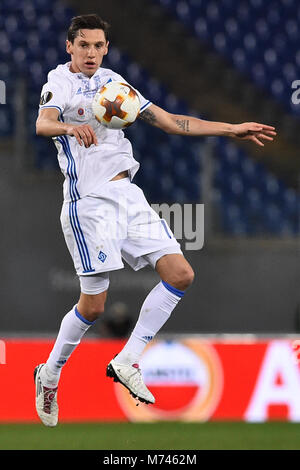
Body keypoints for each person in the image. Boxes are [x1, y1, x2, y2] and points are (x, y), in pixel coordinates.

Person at [34, 13, 276, 426]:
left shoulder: (114, 85)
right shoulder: (60, 82)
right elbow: (42, 123)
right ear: (69, 46)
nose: (91, 52)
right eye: (83, 45)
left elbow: (168, 121)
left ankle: (128, 359)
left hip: (127, 194)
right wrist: (69, 129)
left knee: (181, 274)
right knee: (93, 307)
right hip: (89, 202)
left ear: (106, 48)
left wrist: (228, 128)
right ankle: (50, 374)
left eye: (98, 45)